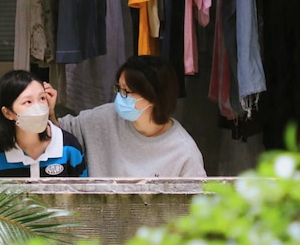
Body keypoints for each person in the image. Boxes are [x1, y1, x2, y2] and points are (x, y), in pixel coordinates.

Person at [46, 55, 206, 177]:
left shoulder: (184, 152)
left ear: (153, 97)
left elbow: (198, 212)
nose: (120, 97)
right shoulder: (103, 118)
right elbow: (59, 135)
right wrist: (50, 112)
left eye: (127, 92)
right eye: (119, 89)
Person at [0, 70, 88, 178]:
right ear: (8, 113)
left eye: (42, 98)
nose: (38, 107)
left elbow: (84, 193)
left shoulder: (69, 148)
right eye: (28, 102)